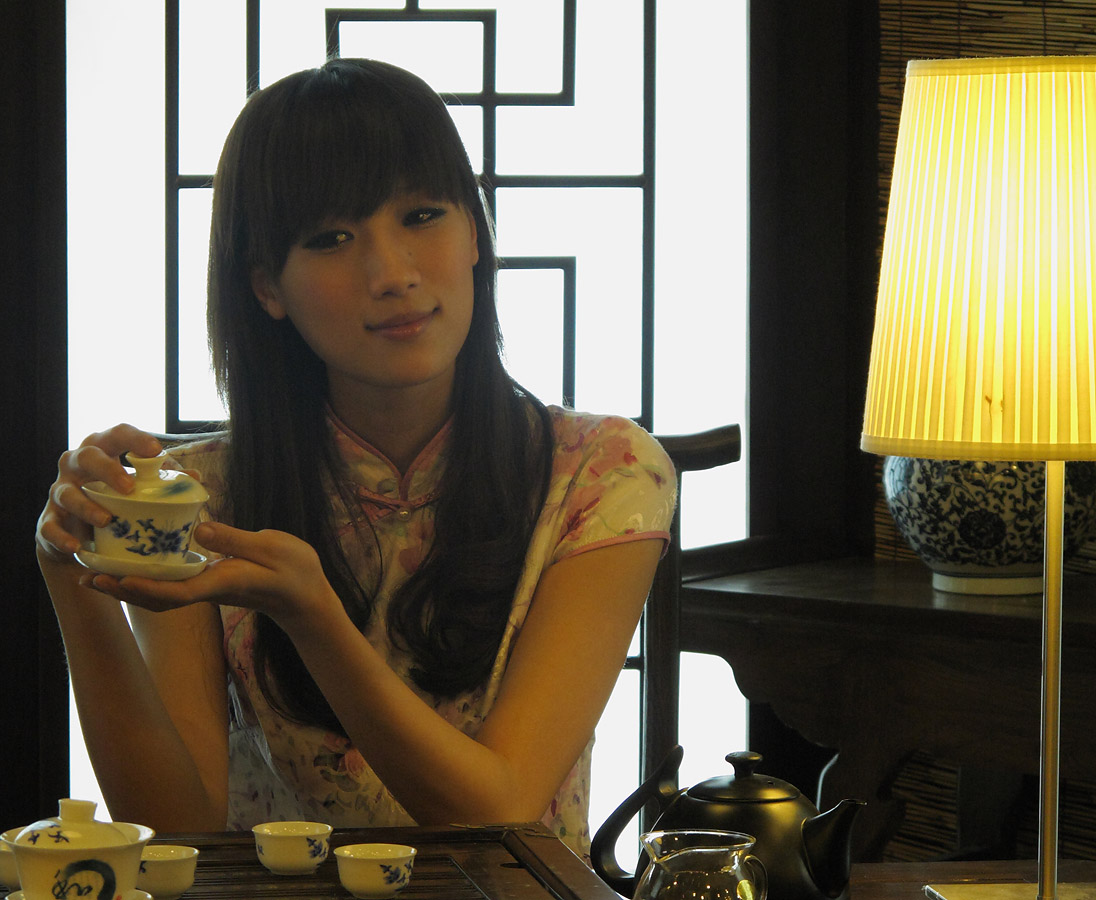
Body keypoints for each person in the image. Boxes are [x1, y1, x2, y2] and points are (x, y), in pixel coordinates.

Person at [35, 58, 675, 858]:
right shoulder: (201, 497)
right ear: (268, 287)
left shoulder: (602, 473)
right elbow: (176, 830)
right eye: (332, 238)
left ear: (475, 234)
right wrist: (76, 574)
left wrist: (314, 619)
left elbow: (503, 810)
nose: (393, 274)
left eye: (422, 215)